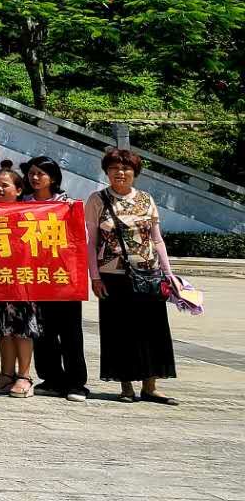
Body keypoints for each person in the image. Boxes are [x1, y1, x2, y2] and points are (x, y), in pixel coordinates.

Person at [86, 148, 178, 405]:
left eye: (126, 169)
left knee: (152, 329)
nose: (120, 173)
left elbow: (157, 239)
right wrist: (95, 277)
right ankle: (126, 385)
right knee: (120, 331)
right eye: (114, 168)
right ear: (107, 172)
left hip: (149, 273)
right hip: (113, 275)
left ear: (135, 173)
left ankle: (151, 386)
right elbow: (91, 242)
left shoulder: (146, 199)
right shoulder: (97, 200)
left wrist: (168, 274)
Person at [23, 155, 88, 401]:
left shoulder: (67, 205)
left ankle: (76, 383)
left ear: (53, 177)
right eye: (31, 173)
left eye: (41, 173)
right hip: (34, 277)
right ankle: (51, 378)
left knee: (70, 331)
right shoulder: (22, 203)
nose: (35, 178)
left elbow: (79, 240)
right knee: (41, 331)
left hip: (63, 277)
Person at [0, 168, 40, 397]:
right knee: (2, 328)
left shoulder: (28, 214)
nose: (0, 189)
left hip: (23, 280)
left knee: (22, 330)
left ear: (19, 189)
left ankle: (24, 376)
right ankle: (6, 374)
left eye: (5, 185)